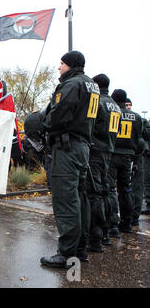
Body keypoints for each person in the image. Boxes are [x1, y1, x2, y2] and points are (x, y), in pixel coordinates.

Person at [40, 51, 98, 268]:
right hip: (82, 146)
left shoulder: (72, 84)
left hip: (67, 147)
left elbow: (57, 117)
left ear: (71, 65)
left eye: (61, 63)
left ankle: (66, 253)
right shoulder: (91, 85)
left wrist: (42, 121)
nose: (59, 68)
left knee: (66, 201)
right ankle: (80, 249)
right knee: (80, 199)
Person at [84, 74, 120, 252]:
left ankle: (96, 238)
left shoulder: (96, 102)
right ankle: (107, 231)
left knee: (94, 195)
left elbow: (88, 125)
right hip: (109, 152)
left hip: (95, 153)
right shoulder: (115, 106)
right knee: (106, 192)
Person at [106, 89, 143, 235]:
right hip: (128, 157)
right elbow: (140, 139)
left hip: (113, 154)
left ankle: (113, 224)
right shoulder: (137, 117)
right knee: (126, 190)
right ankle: (127, 222)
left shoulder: (113, 114)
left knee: (111, 190)